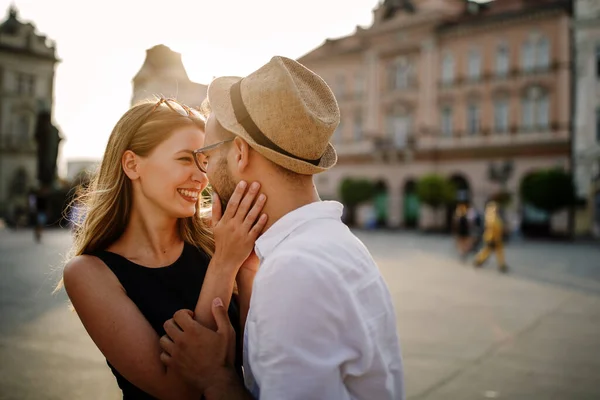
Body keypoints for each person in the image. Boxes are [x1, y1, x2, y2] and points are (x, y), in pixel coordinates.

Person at [159, 56, 405, 400]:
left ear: (240, 153)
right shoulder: (332, 244)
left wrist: (214, 378)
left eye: (207, 155)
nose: (204, 176)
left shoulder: (295, 269)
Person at [59, 97, 268, 399]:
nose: (201, 177)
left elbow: (256, 352)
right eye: (185, 159)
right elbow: (178, 390)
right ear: (132, 164)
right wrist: (224, 264)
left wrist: (245, 268)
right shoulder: (88, 273)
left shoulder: (218, 240)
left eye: (203, 161)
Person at [474, 201, 509, 273]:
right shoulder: (491, 217)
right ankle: (479, 260)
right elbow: (492, 228)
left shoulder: (493, 216)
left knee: (496, 251)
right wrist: (492, 237)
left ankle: (501, 264)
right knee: (487, 251)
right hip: (492, 238)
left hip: (496, 238)